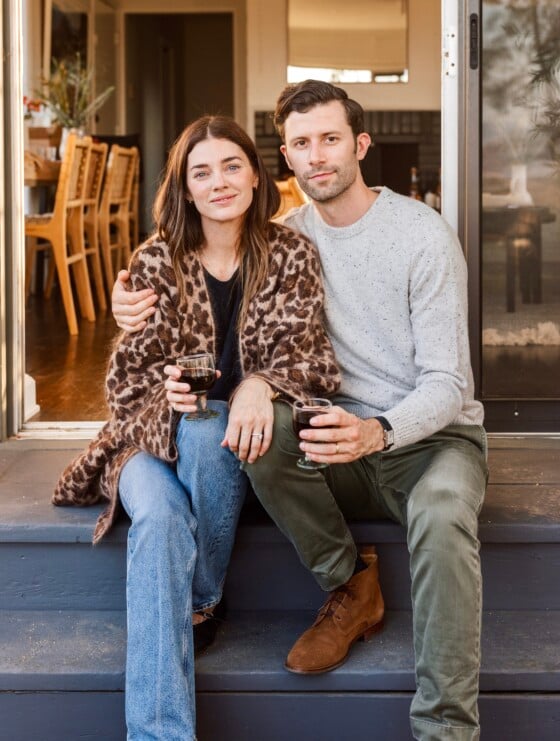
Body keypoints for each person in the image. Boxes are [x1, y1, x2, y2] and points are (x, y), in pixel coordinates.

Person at [112, 81, 488, 741]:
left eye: (331, 139)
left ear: (361, 144)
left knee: (443, 511)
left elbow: (449, 382)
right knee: (259, 430)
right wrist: (135, 310)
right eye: (302, 144)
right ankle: (350, 586)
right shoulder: (281, 244)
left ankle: (445, 727)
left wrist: (381, 429)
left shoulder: (421, 236)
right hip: (332, 439)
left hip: (429, 440)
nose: (317, 156)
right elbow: (214, 320)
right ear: (285, 158)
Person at [53, 114, 340, 741]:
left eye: (231, 165)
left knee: (203, 449)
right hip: (145, 448)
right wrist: (169, 398)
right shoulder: (155, 261)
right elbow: (125, 386)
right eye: (201, 172)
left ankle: (199, 600)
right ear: (185, 189)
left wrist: (261, 384)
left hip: (224, 446)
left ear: (256, 174)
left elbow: (312, 361)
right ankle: (174, 689)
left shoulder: (290, 255)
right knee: (167, 495)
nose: (218, 183)